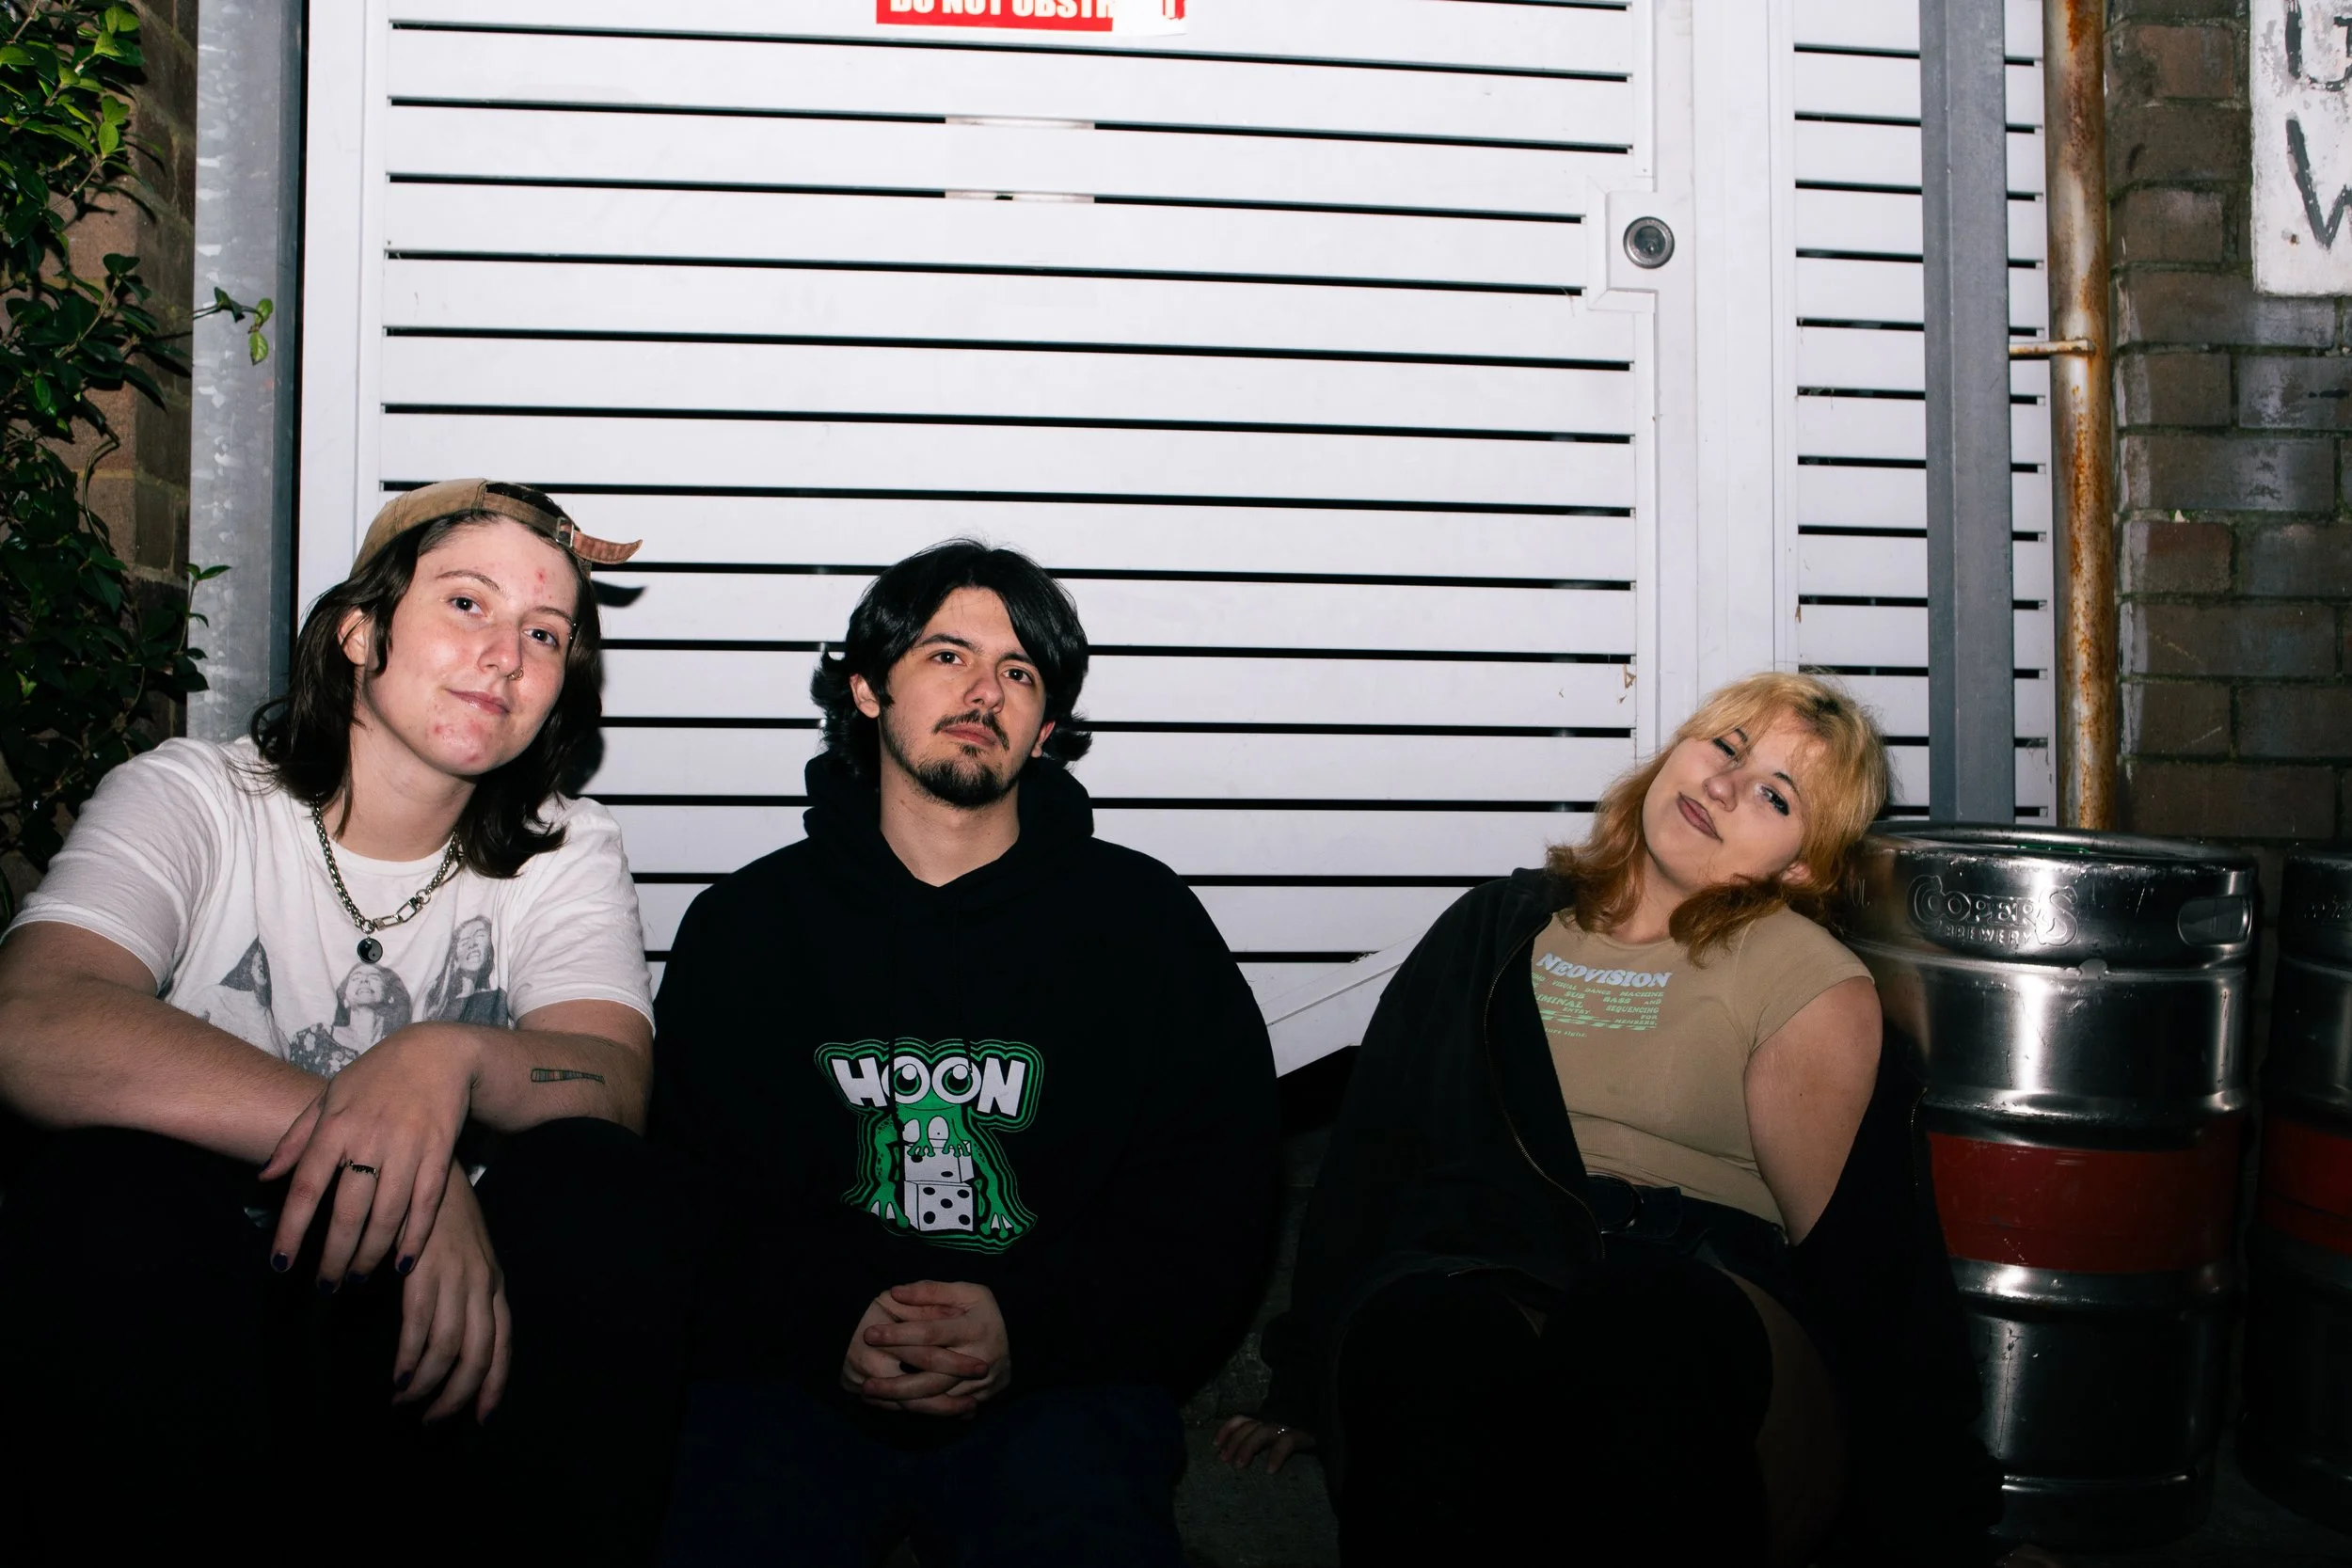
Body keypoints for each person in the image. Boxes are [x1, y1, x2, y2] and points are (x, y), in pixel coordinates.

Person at [0, 480, 688, 1564]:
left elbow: (612, 1078)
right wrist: (386, 1157)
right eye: (468, 603)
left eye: (544, 633)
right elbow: (31, 1019)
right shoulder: (195, 797)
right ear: (360, 629)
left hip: (445, 1339)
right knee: (101, 1195)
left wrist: (446, 1056)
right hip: (204, 1304)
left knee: (608, 1190)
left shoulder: (566, 847)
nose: (506, 655)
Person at [1216, 672, 2009, 1567]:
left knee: (1635, 1321)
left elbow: (1870, 1266)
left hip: (1692, 1290)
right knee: (1431, 1331)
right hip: (1486, 1261)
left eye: (1775, 795)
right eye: (1726, 747)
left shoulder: (1803, 972)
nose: (1723, 784)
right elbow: (1376, 1157)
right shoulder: (1495, 924)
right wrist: (1299, 1382)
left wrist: (1947, 1519)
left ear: (1804, 864)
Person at [653, 539, 1280, 1567]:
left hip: (1063, 1387)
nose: (985, 689)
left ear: (1045, 728)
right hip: (785, 1385)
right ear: (865, 687)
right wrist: (825, 1320)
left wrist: (1026, 1326)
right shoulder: (747, 924)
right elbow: (686, 1195)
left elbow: (1217, 1201)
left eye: (1020, 671)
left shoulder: (1143, 922)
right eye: (947, 655)